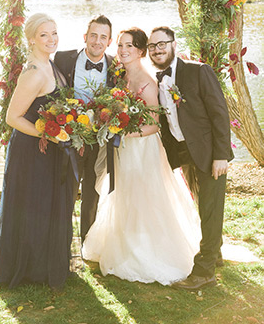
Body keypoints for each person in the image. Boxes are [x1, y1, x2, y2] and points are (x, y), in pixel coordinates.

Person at [82, 28, 201, 285]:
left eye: (129, 46)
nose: (123, 50)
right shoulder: (121, 75)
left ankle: (147, 251)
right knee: (125, 195)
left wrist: (123, 133)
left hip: (142, 149)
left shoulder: (147, 81)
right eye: (121, 45)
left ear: (140, 51)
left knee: (144, 198)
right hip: (125, 147)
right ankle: (126, 243)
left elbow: (156, 124)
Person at [0, 13, 75, 290]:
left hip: (47, 148)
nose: (51, 39)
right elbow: (13, 118)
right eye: (44, 35)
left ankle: (42, 264)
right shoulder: (33, 73)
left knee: (45, 205)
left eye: (54, 33)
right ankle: (27, 268)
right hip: (31, 150)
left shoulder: (50, 64)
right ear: (31, 40)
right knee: (33, 205)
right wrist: (49, 133)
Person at [147, 26, 233, 290]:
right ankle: (214, 253)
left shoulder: (198, 71)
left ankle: (204, 272)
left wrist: (221, 156)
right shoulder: (157, 79)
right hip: (184, 153)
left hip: (208, 153)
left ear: (173, 44)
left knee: (210, 208)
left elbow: (219, 113)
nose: (158, 49)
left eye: (162, 43)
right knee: (200, 204)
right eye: (152, 46)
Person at [54, 15, 114, 243]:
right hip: (68, 140)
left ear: (109, 41)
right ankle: (60, 241)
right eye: (93, 35)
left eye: (103, 37)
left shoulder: (115, 66)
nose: (97, 41)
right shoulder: (63, 59)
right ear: (85, 37)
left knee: (93, 191)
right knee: (64, 190)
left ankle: (87, 241)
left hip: (99, 142)